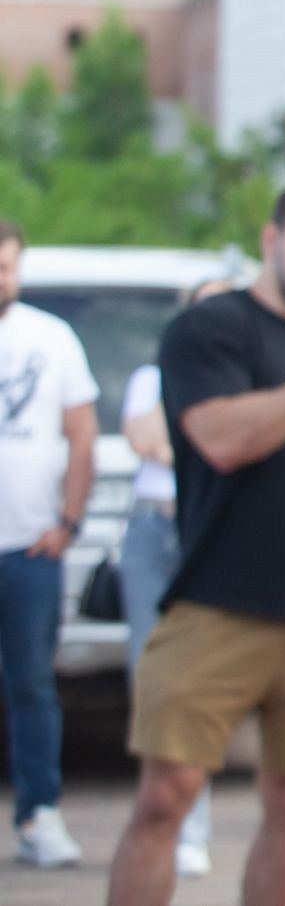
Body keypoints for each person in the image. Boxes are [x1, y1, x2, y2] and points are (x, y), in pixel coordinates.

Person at [105, 185, 285, 906]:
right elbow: (222, 439)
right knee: (166, 796)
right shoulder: (211, 328)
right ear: (271, 238)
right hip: (217, 599)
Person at [112, 273, 235, 880]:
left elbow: (195, 444)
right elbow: (146, 438)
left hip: (204, 531)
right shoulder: (151, 376)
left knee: (201, 680)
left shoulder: (242, 381)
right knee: (151, 674)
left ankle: (194, 826)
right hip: (153, 531)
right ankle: (160, 813)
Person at [0, 218, 100, 870]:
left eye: (6, 266)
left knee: (33, 684)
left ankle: (39, 812)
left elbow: (83, 433)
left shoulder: (49, 336)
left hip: (30, 546)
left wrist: (68, 521)